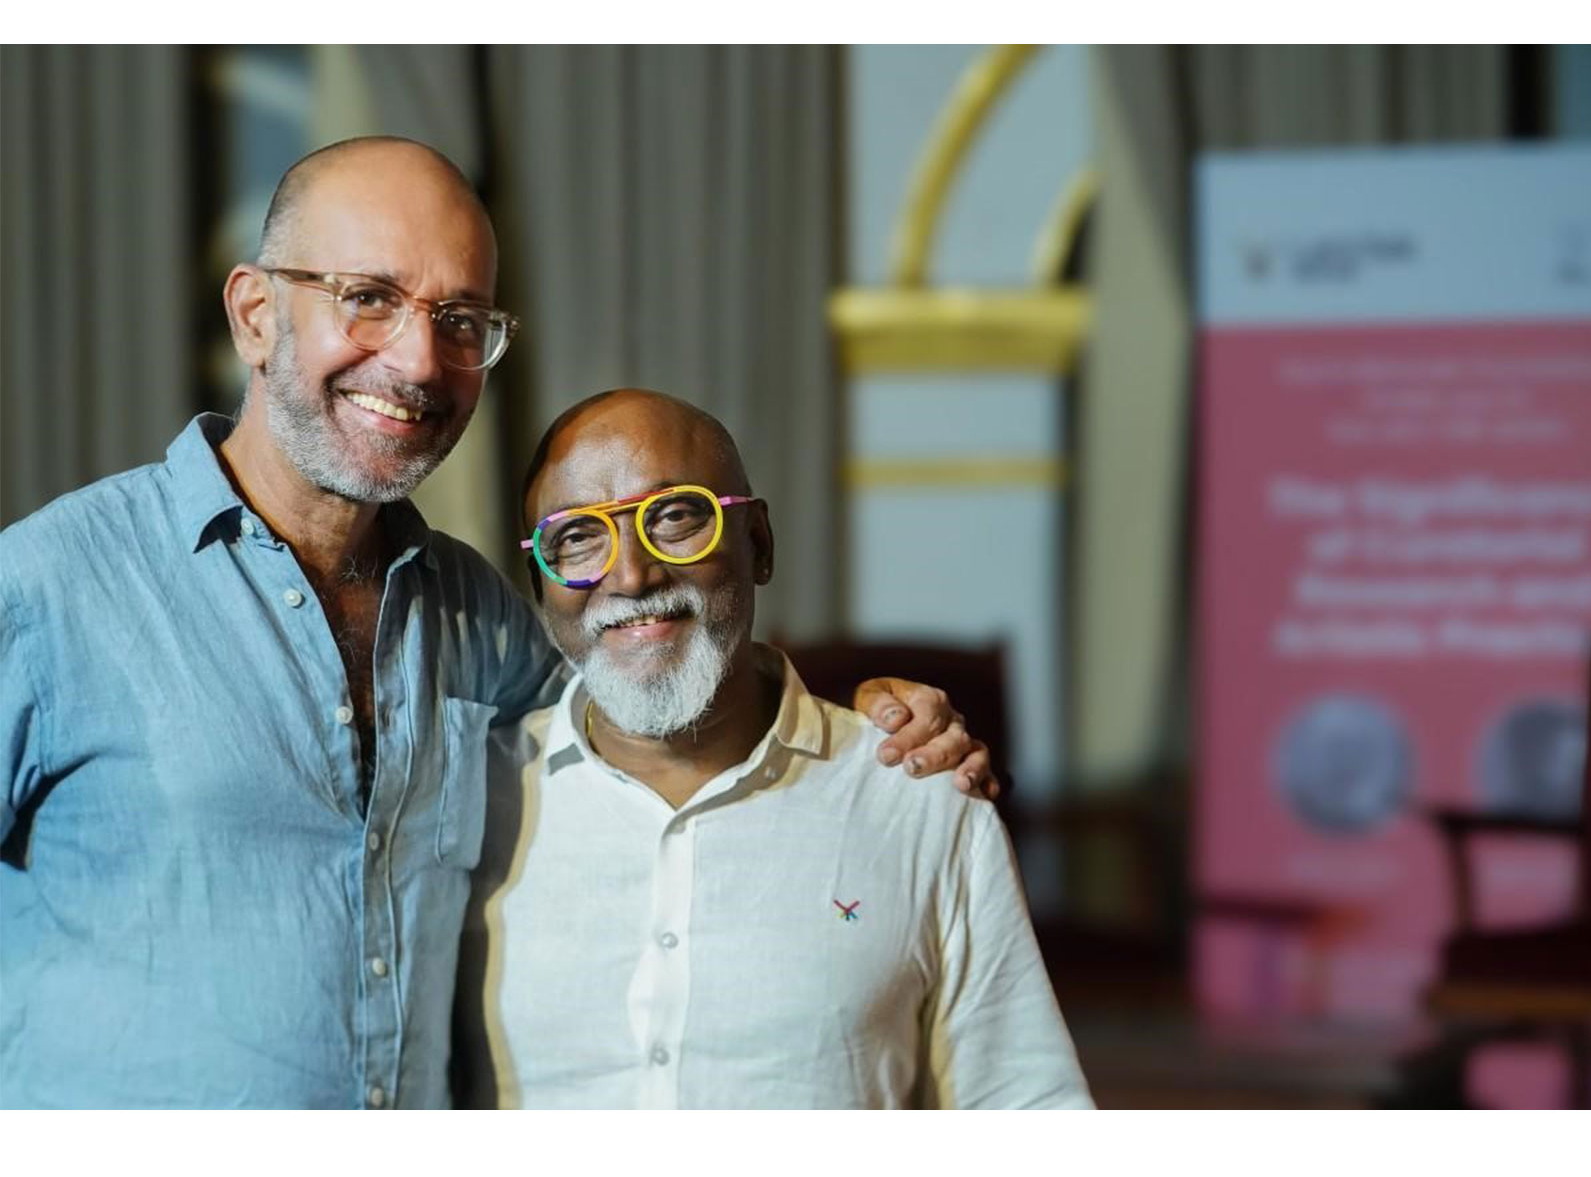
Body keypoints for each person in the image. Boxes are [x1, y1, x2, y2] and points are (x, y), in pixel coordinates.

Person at [0, 137, 994, 1109]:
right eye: (369, 297)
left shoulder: (475, 614)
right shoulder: (49, 586)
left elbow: (657, 705)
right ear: (256, 315)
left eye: (461, 319)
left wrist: (868, 718)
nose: (419, 360)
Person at [454, 389, 1092, 1109]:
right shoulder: (466, 797)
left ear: (758, 543)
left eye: (674, 517)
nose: (631, 575)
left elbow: (1023, 1103)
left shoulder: (916, 799)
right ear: (539, 583)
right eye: (577, 536)